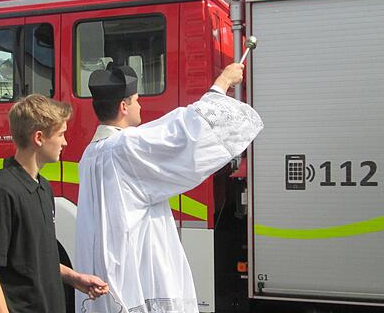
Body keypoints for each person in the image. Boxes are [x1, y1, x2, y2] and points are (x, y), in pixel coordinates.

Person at [74, 64, 263, 313]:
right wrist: (222, 83)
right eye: (136, 100)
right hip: (138, 266)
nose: (140, 106)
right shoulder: (123, 148)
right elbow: (186, 132)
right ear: (123, 107)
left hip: (107, 269)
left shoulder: (90, 154)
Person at [0, 94, 109, 313]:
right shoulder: (2, 191)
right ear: (39, 137)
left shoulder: (43, 188)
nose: (65, 142)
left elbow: (35, 258)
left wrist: (75, 278)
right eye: (61, 134)